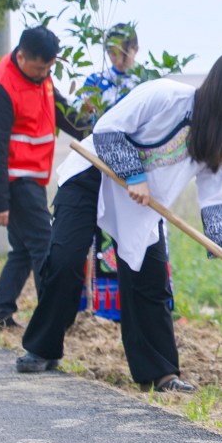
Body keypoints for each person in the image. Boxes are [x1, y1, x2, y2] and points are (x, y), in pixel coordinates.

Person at [15, 47, 222, 393]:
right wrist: (134, 175)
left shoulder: (220, 137)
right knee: (66, 258)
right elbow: (107, 129)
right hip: (95, 174)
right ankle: (42, 348)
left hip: (144, 203)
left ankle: (161, 373)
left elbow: (216, 196)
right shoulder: (164, 95)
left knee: (149, 279)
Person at [0, 25, 91, 330]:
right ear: (21, 55)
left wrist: (93, 126)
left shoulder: (42, 74)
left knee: (24, 251)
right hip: (15, 180)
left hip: (35, 178)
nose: (44, 74)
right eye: (40, 68)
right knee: (45, 247)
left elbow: (66, 114)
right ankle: (52, 321)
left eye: (49, 68)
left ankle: (0, 313)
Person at [72, 24, 144, 321]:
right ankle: (96, 309)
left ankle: (135, 308)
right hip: (100, 170)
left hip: (137, 175)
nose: (118, 59)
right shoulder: (96, 82)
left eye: (123, 53)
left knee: (135, 239)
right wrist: (86, 107)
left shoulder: (144, 83)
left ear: (135, 51)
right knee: (99, 239)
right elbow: (77, 113)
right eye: (112, 53)